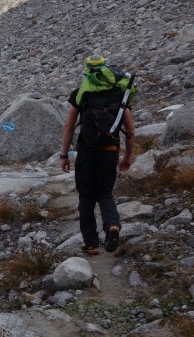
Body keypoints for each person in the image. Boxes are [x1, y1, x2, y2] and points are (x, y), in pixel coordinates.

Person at [60, 55, 135, 255]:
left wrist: (64, 155)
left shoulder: (81, 94)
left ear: (86, 72)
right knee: (105, 193)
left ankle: (91, 243)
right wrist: (127, 157)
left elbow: (68, 127)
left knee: (86, 195)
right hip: (110, 152)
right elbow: (130, 131)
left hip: (86, 151)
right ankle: (112, 225)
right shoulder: (119, 95)